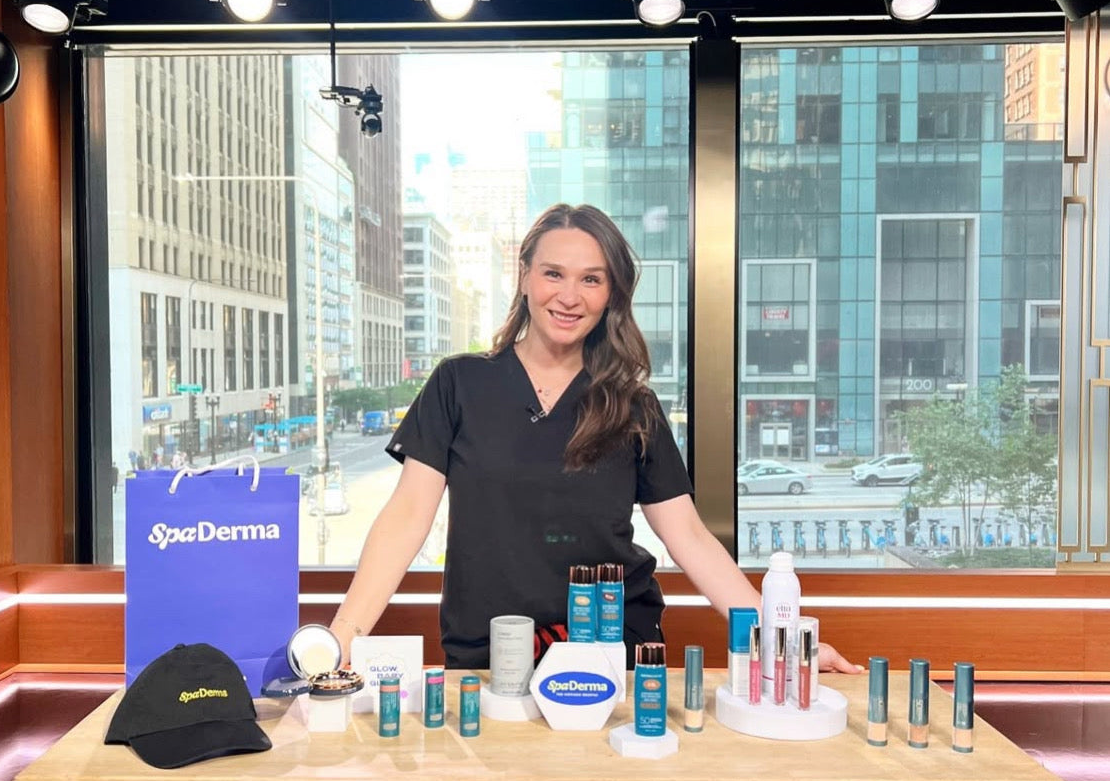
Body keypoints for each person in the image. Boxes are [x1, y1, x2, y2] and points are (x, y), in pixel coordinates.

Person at [329, 202, 859, 678]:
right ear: (524, 277)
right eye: (553, 274)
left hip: (611, 648)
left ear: (611, 294)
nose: (568, 296)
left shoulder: (634, 406)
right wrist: (341, 638)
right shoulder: (458, 384)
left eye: (591, 280)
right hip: (488, 652)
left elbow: (690, 540)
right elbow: (406, 518)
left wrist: (783, 642)